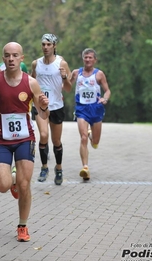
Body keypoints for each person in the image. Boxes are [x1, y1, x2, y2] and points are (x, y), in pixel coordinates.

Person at [0, 42, 49, 242]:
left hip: (26, 138)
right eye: (7, 55)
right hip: (2, 139)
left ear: (21, 58)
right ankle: (13, 179)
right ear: (3, 58)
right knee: (2, 185)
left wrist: (44, 106)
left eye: (15, 55)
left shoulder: (31, 82)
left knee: (25, 185)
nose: (11, 59)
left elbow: (43, 114)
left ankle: (22, 226)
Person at [30, 33, 72, 185]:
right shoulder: (36, 64)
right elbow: (31, 82)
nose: (45, 47)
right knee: (43, 135)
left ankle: (58, 168)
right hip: (40, 105)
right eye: (43, 44)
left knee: (56, 140)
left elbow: (67, 89)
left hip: (56, 106)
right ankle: (44, 167)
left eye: (48, 44)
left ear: (54, 46)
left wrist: (64, 77)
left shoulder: (62, 64)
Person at [70, 48, 111, 181]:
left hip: (96, 109)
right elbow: (66, 86)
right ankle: (85, 168)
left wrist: (105, 98)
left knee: (95, 142)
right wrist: (64, 77)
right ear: (83, 59)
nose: (88, 59)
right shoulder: (76, 73)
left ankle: (90, 134)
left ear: (95, 60)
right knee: (82, 138)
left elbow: (107, 91)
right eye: (85, 57)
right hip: (81, 109)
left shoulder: (99, 74)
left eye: (90, 57)